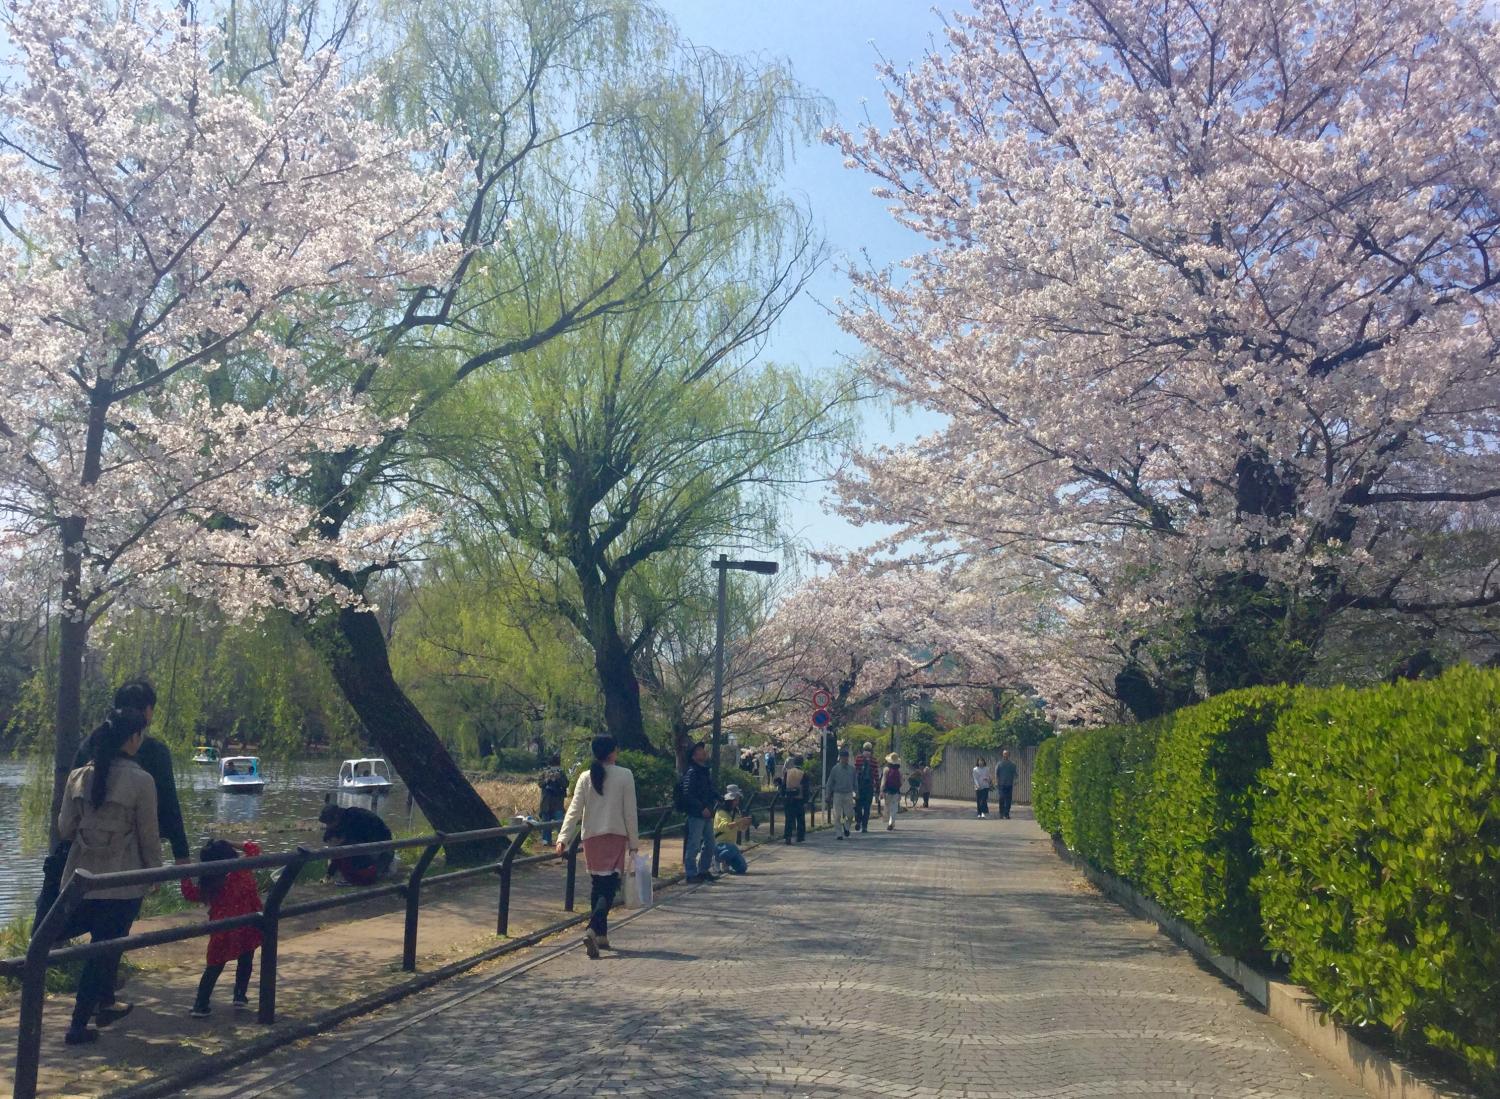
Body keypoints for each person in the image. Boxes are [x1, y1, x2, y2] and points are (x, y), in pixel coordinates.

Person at [38, 681, 190, 932]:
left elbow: (67, 824)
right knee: (108, 948)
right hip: (125, 869)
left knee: (67, 941)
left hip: (80, 870)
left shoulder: (90, 746)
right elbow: (166, 810)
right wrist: (178, 855)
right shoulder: (151, 756)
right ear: (147, 711)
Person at [55, 708, 160, 1046]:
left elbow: (65, 829)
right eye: (140, 734)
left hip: (79, 880)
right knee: (103, 952)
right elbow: (148, 835)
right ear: (132, 739)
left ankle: (99, 1007)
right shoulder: (142, 781)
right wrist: (154, 875)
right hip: (121, 880)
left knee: (92, 950)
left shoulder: (78, 776)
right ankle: (78, 1024)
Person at [556, 734, 639, 959]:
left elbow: (574, 809)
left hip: (591, 837)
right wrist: (634, 842)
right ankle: (593, 928)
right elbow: (630, 812)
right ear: (612, 752)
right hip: (615, 835)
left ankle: (601, 935)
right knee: (610, 887)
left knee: (597, 884)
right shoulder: (625, 775)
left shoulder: (585, 776)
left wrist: (563, 837)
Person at [181, 839, 263, 1017]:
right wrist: (228, 841)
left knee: (214, 966)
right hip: (248, 923)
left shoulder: (211, 883)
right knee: (246, 958)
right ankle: (240, 995)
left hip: (222, 928)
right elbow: (254, 848)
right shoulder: (242, 869)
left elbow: (189, 894)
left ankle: (201, 1004)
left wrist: (184, 873)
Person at [318, 802, 394, 884]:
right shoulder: (340, 822)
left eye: (329, 823)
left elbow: (341, 852)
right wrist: (329, 874)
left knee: (348, 857)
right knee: (339, 853)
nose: (328, 826)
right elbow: (332, 842)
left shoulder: (355, 820)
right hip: (366, 847)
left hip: (382, 850)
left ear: (336, 817)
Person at [677, 741, 718, 883]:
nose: (704, 752)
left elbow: (710, 790)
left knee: (710, 843)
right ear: (694, 757)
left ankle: (703, 870)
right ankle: (691, 873)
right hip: (696, 813)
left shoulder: (705, 771)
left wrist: (719, 798)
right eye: (700, 750)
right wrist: (701, 808)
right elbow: (687, 794)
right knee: (694, 844)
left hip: (707, 812)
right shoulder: (691, 772)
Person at [713, 785, 750, 875]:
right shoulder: (721, 812)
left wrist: (746, 823)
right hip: (719, 844)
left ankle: (727, 863)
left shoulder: (736, 812)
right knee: (730, 850)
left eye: (737, 799)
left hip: (731, 845)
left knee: (742, 868)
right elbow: (725, 826)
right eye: (735, 799)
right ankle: (716, 859)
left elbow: (741, 828)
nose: (737, 802)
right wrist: (739, 822)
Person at [537, 755, 569, 845]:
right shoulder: (544, 772)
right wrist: (547, 779)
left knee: (560, 822)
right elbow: (540, 784)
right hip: (546, 802)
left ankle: (562, 840)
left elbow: (566, 784)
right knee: (545, 822)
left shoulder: (561, 773)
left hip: (558, 802)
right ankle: (546, 840)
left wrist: (559, 778)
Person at [825, 747, 856, 839]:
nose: (845, 759)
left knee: (850, 815)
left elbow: (855, 782)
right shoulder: (835, 769)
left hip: (848, 793)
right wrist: (828, 794)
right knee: (837, 814)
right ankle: (838, 833)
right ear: (840, 757)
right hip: (837, 794)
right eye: (843, 757)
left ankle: (846, 828)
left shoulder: (852, 769)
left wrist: (856, 792)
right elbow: (829, 783)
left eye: (846, 757)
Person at [779, 754, 810, 843]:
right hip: (799, 798)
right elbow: (806, 788)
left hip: (788, 797)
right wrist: (806, 800)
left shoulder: (787, 772)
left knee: (789, 818)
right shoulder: (803, 774)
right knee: (800, 818)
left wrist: (783, 795)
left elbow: (783, 786)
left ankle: (788, 836)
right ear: (802, 763)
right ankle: (800, 836)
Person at [852, 741, 879, 833]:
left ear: (863, 749)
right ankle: (864, 826)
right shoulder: (874, 760)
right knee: (867, 807)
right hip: (869, 786)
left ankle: (858, 821)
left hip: (860, 786)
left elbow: (855, 772)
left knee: (858, 805)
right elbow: (876, 774)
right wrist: (876, 786)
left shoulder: (858, 758)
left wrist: (854, 785)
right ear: (871, 749)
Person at [994, 749, 1019, 820]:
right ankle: (1001, 813)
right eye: (1004, 754)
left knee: (1008, 800)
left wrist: (1016, 781)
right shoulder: (999, 764)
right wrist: (996, 781)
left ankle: (1006, 814)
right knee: (1001, 798)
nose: (1005, 755)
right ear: (1002, 755)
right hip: (1001, 784)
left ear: (1009, 755)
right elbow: (996, 773)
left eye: (1007, 754)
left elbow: (1016, 774)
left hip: (1009, 784)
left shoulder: (1012, 764)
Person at [881, 753, 904, 830]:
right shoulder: (899, 771)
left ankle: (888, 822)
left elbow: (883, 781)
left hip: (887, 791)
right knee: (894, 808)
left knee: (887, 807)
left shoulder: (886, 769)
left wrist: (881, 791)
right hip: (896, 792)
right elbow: (901, 783)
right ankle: (891, 823)